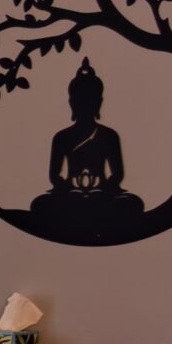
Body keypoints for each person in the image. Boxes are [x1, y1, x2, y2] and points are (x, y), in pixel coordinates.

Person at [30, 59, 144, 237]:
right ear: (71, 103)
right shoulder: (62, 137)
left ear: (98, 102)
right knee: (41, 204)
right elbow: (54, 175)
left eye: (89, 100)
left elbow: (117, 174)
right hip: (70, 195)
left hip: (103, 195)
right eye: (79, 101)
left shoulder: (108, 135)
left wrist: (103, 189)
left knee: (132, 203)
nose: (84, 105)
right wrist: (68, 188)